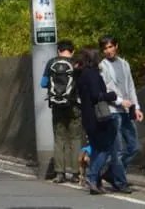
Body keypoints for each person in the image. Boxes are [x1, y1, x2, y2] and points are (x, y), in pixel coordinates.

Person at [74, 46, 125, 194]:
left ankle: (95, 182)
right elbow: (97, 95)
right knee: (105, 148)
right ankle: (92, 177)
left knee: (96, 148)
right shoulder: (92, 74)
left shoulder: (80, 74)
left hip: (87, 116)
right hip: (98, 116)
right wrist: (112, 96)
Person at [99, 34, 142, 190]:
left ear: (116, 46)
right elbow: (106, 89)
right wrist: (119, 101)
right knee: (117, 149)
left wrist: (136, 107)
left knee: (134, 146)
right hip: (113, 110)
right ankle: (120, 182)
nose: (108, 51)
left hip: (127, 110)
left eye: (111, 47)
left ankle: (112, 172)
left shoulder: (124, 64)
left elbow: (130, 86)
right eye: (105, 48)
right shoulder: (102, 66)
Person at [40, 39, 82, 183]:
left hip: (57, 106)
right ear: (73, 51)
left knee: (59, 139)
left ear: (58, 50)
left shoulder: (51, 63)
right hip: (74, 106)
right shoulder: (77, 63)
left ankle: (60, 173)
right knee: (75, 139)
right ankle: (76, 174)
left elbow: (43, 83)